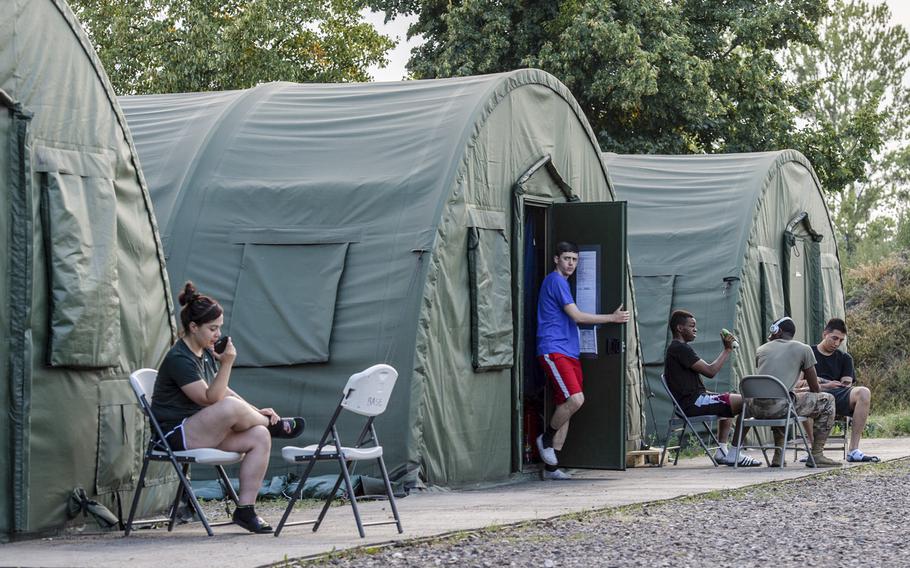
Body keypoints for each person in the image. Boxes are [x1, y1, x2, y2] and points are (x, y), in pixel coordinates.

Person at [152, 282, 305, 533]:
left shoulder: (204, 353)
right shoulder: (180, 358)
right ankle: (275, 426)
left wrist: (258, 413)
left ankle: (246, 511)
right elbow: (209, 399)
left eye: (219, 327)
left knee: (259, 435)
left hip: (202, 428)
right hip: (174, 434)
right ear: (193, 327)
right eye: (212, 328)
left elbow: (225, 393)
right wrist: (227, 364)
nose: (217, 334)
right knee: (230, 407)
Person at [535, 241, 630, 480]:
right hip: (554, 349)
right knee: (576, 400)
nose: (571, 264)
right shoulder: (555, 281)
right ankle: (545, 439)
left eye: (575, 260)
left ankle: (551, 469)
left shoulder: (563, 283)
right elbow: (576, 316)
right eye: (566, 258)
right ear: (556, 259)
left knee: (565, 406)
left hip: (569, 351)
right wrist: (612, 318)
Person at [663, 310, 759, 466]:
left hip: (692, 401)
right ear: (680, 328)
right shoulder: (679, 349)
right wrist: (727, 350)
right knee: (747, 401)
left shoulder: (678, 348)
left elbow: (688, 385)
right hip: (692, 404)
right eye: (692, 326)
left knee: (729, 400)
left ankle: (722, 451)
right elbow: (710, 371)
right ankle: (734, 453)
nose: (695, 329)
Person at [751, 316, 840, 468]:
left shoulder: (761, 349)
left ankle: (778, 457)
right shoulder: (803, 349)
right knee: (828, 400)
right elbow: (815, 389)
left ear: (776, 330)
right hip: (781, 407)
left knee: (782, 399)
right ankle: (817, 454)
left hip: (755, 408)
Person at [802, 318, 878, 462]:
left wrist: (821, 381)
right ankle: (814, 450)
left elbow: (846, 384)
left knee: (864, 392)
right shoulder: (808, 352)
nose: (837, 343)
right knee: (807, 395)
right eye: (834, 338)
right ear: (825, 334)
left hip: (837, 395)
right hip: (813, 393)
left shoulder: (844, 358)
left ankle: (854, 450)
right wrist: (825, 384)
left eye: (841, 341)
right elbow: (799, 383)